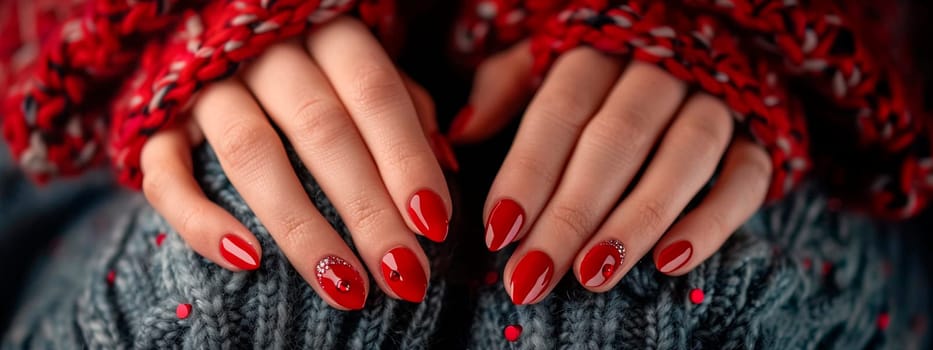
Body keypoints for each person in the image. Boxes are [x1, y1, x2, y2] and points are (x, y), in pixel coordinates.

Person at [0, 0, 930, 348]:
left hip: (761, 111)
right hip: (114, 141)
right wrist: (146, 20)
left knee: (667, 286)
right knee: (240, 279)